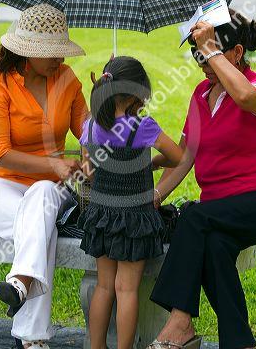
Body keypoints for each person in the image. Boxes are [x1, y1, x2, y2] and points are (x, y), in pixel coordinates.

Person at [146, 10, 256, 349]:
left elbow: (246, 98)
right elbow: (186, 155)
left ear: (237, 53)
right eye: (197, 53)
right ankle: (240, 343)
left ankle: (179, 323)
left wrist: (212, 49)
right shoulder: (201, 94)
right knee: (213, 246)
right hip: (220, 213)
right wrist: (155, 194)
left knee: (192, 216)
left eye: (208, 51)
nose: (201, 60)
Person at [0, 4, 89, 349]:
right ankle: (31, 338)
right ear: (26, 52)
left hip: (48, 190)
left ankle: (19, 284)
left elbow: (86, 132)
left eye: (61, 51)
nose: (58, 59)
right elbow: (0, 152)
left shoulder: (68, 79)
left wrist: (105, 109)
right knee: (43, 228)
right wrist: (54, 165)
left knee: (42, 198)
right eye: (50, 53)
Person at [77, 56, 184, 349]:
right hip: (134, 219)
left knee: (103, 287)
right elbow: (180, 157)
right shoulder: (143, 127)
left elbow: (89, 168)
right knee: (126, 291)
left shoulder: (90, 126)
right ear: (137, 94)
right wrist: (155, 163)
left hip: (101, 217)